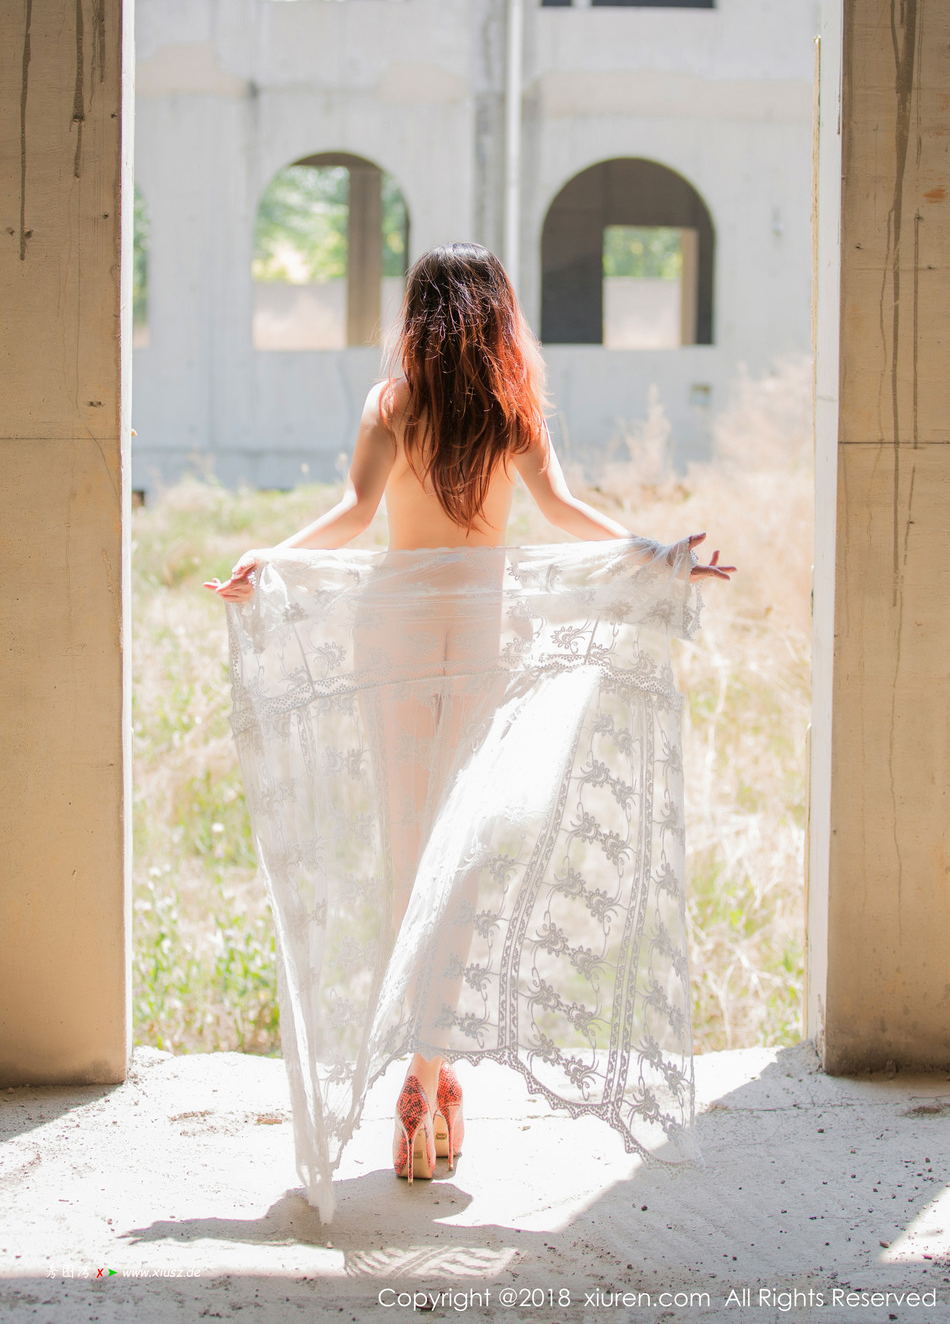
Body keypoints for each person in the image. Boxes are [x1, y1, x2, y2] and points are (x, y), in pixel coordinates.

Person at [206, 243, 733, 1204]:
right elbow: (564, 510)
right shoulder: (511, 412)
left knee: (414, 850)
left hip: (394, 639)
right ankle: (428, 1075)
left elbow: (353, 513)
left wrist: (269, 557)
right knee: (463, 861)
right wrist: (656, 553)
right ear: (496, 313)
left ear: (419, 314)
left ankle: (424, 1079)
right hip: (480, 637)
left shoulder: (392, 405)